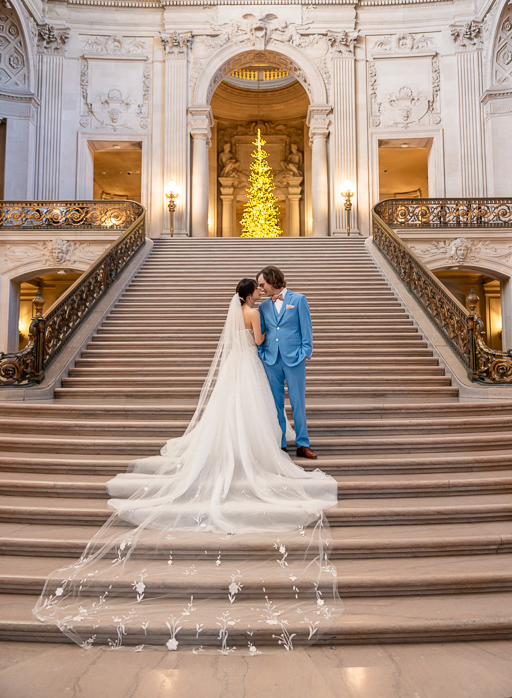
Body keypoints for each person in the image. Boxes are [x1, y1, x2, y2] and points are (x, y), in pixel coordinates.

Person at [32, 279, 339, 652]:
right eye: (257, 288)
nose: (261, 291)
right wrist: (264, 333)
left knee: (246, 412)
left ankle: (285, 443)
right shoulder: (255, 312)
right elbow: (258, 341)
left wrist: (300, 347)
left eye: (264, 285)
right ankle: (266, 448)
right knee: (261, 411)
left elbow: (284, 330)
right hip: (260, 364)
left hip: (257, 365)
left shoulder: (259, 307)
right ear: (250, 293)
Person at [257, 266, 317, 459]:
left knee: (298, 403)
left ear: (272, 280)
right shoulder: (263, 307)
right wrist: (262, 353)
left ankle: (302, 444)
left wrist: (305, 352)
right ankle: (280, 444)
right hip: (271, 359)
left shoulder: (298, 300)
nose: (261, 289)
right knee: (275, 405)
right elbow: (262, 332)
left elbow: (306, 327)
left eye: (262, 284)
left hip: (294, 359)